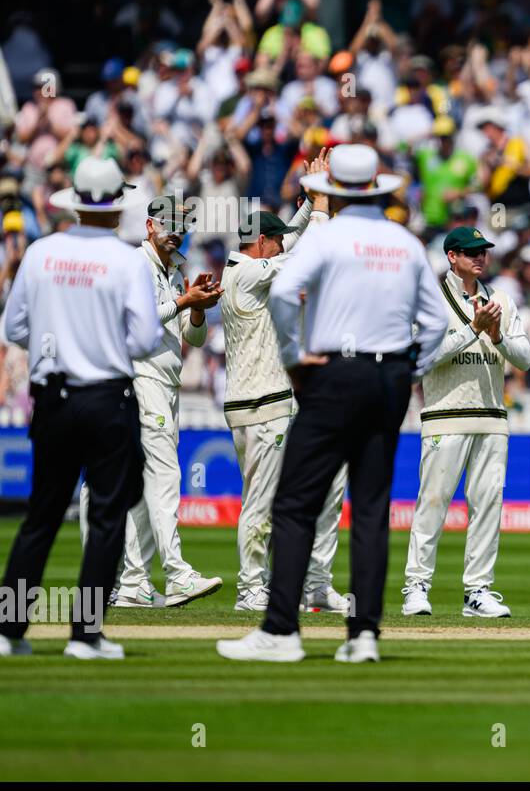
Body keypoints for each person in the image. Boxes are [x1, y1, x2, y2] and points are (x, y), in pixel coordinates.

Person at [216, 144, 447, 663]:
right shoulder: (404, 242)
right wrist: (409, 370)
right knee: (370, 508)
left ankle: (280, 631)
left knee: (295, 502)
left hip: (334, 374)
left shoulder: (329, 236)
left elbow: (281, 293)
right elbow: (435, 324)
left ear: (336, 188)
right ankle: (363, 633)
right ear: (376, 187)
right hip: (387, 377)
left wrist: (295, 361)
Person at [0, 156, 161, 659]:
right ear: (116, 207)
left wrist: (59, 339)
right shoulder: (129, 259)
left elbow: (14, 327)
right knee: (110, 514)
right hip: (107, 397)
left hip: (53, 397)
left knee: (41, 516)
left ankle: (7, 630)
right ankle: (85, 635)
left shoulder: (42, 252)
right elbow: (146, 338)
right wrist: (99, 339)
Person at [220, 193, 349, 614]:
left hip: (253, 401)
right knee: (261, 500)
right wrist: (324, 212)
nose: (279, 245)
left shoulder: (241, 267)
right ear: (260, 242)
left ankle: (292, 583)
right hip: (264, 403)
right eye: (273, 241)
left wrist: (310, 206)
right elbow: (302, 257)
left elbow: (289, 243)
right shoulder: (249, 273)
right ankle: (251, 587)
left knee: (278, 495)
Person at [400, 225, 530, 619]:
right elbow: (419, 359)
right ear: (452, 257)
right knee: (433, 503)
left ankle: (478, 590)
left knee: (488, 504)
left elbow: (524, 358)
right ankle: (416, 586)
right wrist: (473, 330)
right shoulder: (430, 300)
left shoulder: (502, 301)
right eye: (471, 251)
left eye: (483, 251)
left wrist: (497, 336)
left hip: (492, 417)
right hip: (445, 416)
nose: (480, 257)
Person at [102, 194, 224, 608]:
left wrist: (198, 310)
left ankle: (134, 583)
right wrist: (182, 302)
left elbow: (192, 339)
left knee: (140, 487)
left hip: (166, 381)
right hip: (142, 378)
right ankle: (176, 574)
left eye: (184, 224)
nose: (178, 231)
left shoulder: (173, 270)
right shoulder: (136, 264)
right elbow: (137, 321)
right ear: (151, 225)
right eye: (171, 223)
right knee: (165, 477)